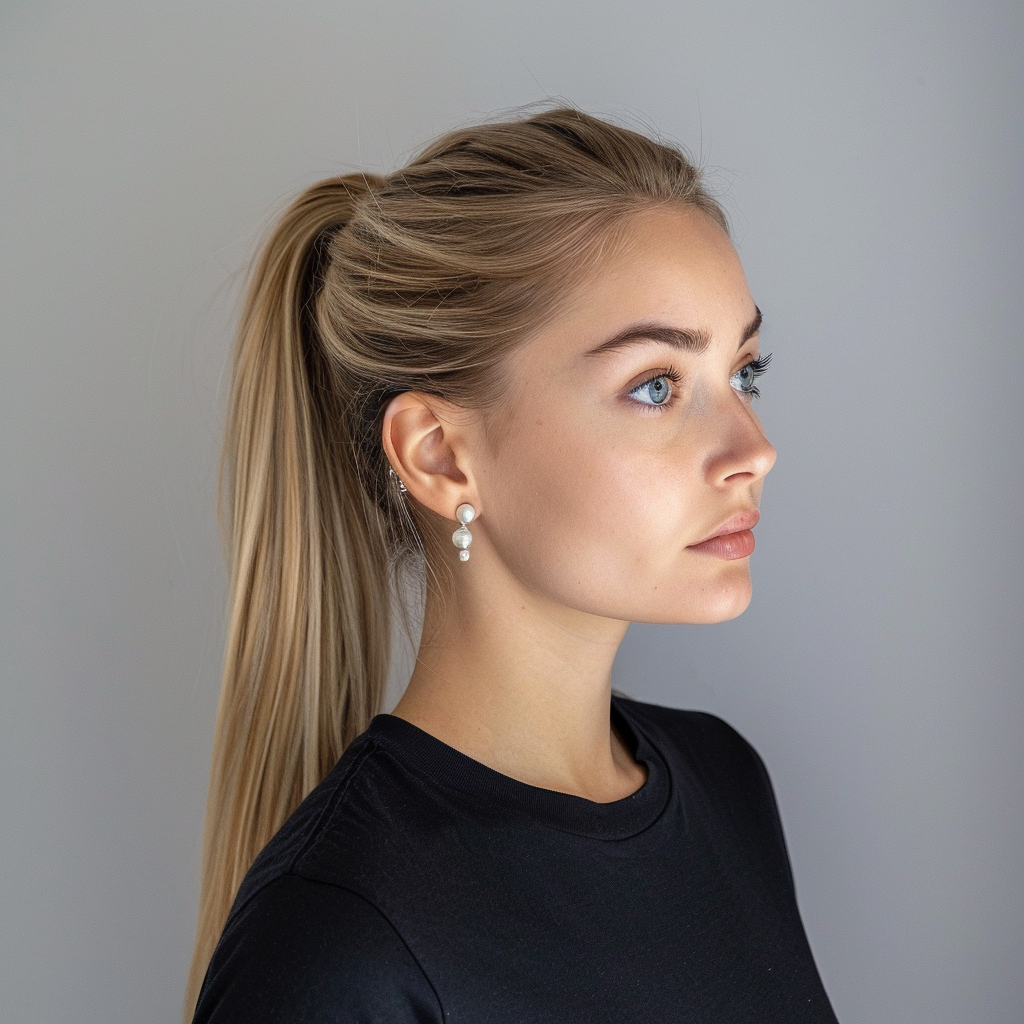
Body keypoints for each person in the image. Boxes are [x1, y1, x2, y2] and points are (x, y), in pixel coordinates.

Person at [184, 105, 838, 1023]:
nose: (753, 447)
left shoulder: (724, 782)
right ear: (441, 456)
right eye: (656, 386)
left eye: (745, 373)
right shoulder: (337, 939)